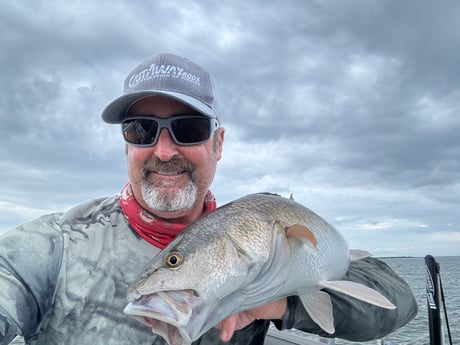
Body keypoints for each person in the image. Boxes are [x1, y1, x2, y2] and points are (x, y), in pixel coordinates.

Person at [0, 53, 417, 345]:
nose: (164, 151)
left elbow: (397, 303)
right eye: (142, 130)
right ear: (126, 145)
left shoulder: (259, 232)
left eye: (190, 127)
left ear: (218, 143)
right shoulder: (55, 243)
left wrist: (278, 300)